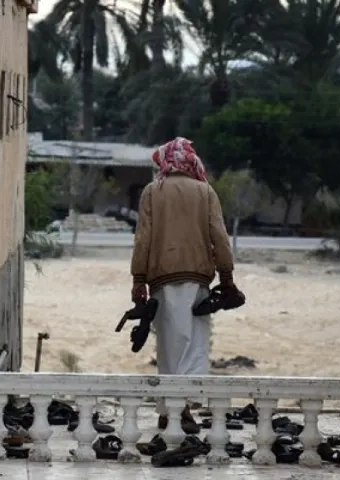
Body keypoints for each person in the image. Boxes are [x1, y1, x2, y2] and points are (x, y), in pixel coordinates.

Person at [129, 137, 236, 431]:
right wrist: (227, 277)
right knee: (195, 344)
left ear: (165, 162)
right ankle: (182, 407)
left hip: (162, 281)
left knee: (169, 346)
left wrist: (138, 280)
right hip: (199, 282)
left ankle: (170, 410)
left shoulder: (153, 192)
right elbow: (219, 237)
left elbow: (143, 239)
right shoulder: (206, 191)